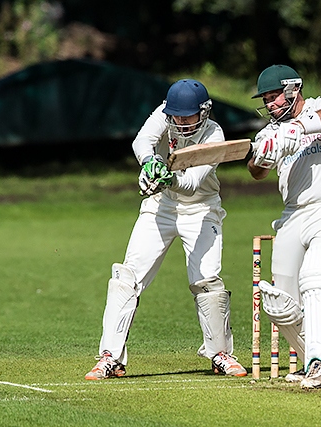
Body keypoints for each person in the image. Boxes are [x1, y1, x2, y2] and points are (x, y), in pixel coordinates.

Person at [85, 79, 246, 380]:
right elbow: (141, 142)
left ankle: (220, 354)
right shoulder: (165, 113)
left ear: (205, 112)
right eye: (177, 116)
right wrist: (150, 164)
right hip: (160, 207)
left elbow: (191, 184)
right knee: (126, 277)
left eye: (189, 117)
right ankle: (110, 357)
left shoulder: (215, 135)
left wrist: (168, 178)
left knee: (206, 281)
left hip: (201, 208)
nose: (182, 123)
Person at [248, 65, 321, 389]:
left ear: (293, 89)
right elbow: (255, 171)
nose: (270, 104)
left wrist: (294, 129)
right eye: (265, 99)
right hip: (293, 214)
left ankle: (320, 364)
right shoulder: (268, 132)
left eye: (274, 96)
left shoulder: (319, 106)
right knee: (279, 301)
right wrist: (262, 157)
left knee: (318, 277)